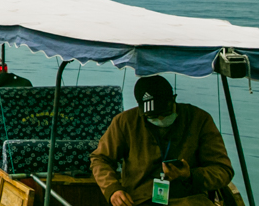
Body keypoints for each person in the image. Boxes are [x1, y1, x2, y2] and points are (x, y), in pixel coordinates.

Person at [90, 75, 233, 206]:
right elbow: (100, 158)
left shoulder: (199, 119)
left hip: (189, 199)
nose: (160, 119)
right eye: (152, 115)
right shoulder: (125, 122)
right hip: (139, 200)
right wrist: (113, 189)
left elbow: (223, 170)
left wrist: (190, 175)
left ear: (173, 99)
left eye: (164, 113)